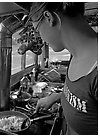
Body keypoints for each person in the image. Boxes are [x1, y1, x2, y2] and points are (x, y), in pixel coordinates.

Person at [29, 2, 98, 135]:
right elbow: (84, 98)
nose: (41, 38)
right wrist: (57, 97)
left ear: (49, 18)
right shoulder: (76, 54)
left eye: (38, 30)